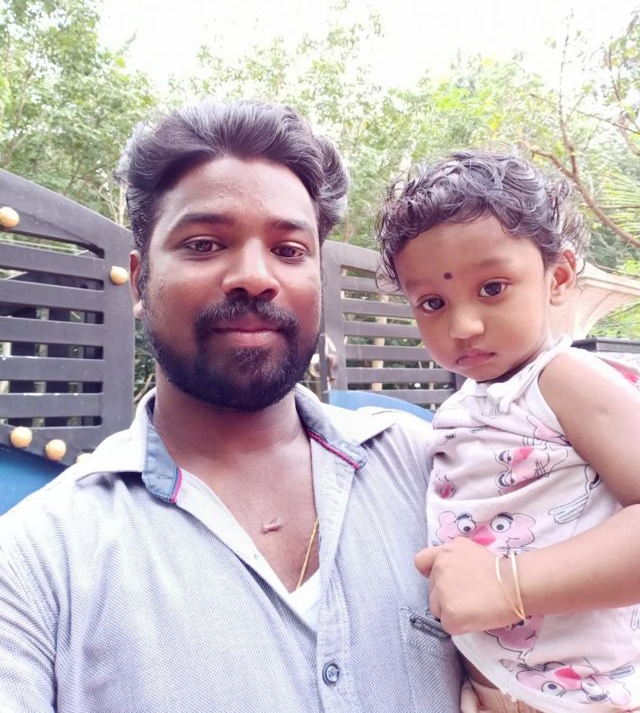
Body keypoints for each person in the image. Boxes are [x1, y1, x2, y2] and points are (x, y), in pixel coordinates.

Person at [0, 100, 462, 713]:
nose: (254, 276)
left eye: (289, 250)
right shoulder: (37, 562)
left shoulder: (432, 470)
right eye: (204, 244)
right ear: (139, 279)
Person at [376, 151, 640, 713]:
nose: (463, 325)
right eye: (432, 303)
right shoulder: (473, 403)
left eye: (493, 287)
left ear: (558, 277)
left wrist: (508, 583)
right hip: (495, 692)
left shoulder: (564, 379)